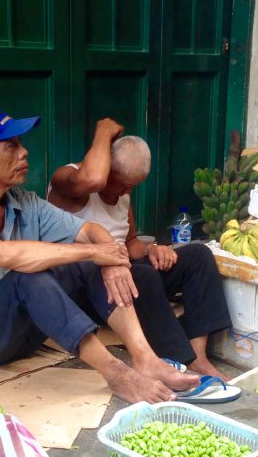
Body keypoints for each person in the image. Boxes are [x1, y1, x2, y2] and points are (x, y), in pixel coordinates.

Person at [0, 107, 200, 404]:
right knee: (28, 277)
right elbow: (7, 255)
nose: (24, 152)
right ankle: (117, 374)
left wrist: (110, 262)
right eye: (11, 146)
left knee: (88, 263)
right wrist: (98, 252)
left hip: (24, 335)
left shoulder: (24, 202)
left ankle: (146, 359)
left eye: (20, 144)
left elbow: (92, 230)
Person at [48, 119, 232, 379]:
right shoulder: (68, 181)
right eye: (121, 183)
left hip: (123, 280)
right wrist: (103, 132)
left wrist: (153, 250)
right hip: (87, 290)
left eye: (132, 186)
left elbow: (130, 242)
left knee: (197, 256)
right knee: (142, 276)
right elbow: (93, 178)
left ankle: (198, 357)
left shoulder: (124, 191)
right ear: (107, 167)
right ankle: (179, 361)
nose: (125, 191)